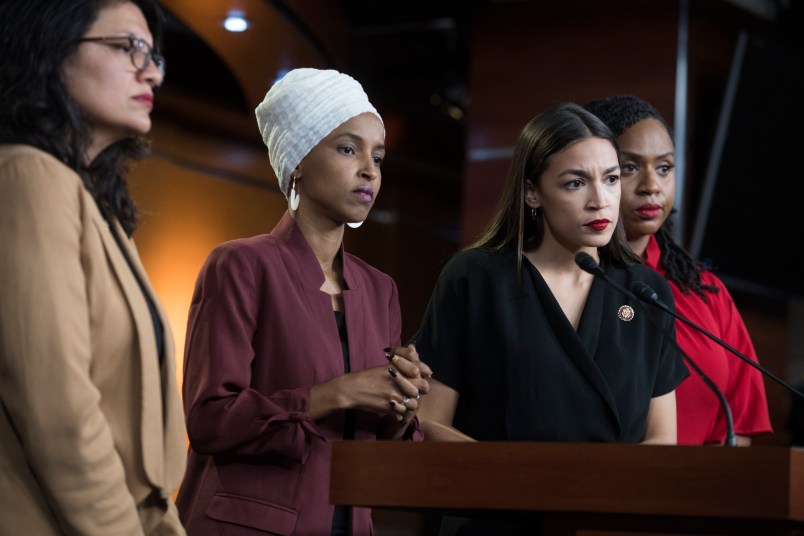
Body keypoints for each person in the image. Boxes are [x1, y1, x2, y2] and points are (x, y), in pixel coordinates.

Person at [175, 68, 432, 536]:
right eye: (348, 148)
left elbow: (381, 454)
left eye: (378, 155)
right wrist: (339, 392)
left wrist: (403, 403)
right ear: (297, 160)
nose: (369, 170)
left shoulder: (381, 289)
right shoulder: (240, 264)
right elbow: (210, 420)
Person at [411, 103, 689, 533]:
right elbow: (428, 423)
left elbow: (662, 440)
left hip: (606, 523)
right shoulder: (475, 277)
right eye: (576, 182)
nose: (600, 200)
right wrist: (530, 481)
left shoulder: (646, 292)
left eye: (611, 178)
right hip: (492, 520)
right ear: (532, 192)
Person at [0, 0, 187, 534]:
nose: (150, 70)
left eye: (154, 56)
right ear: (52, 49)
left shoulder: (97, 207)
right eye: (129, 48)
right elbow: (59, 415)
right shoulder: (28, 176)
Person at [584, 94, 772, 446]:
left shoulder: (704, 290)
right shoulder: (568, 280)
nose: (652, 186)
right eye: (630, 167)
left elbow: (738, 427)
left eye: (665, 168)